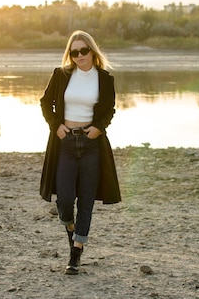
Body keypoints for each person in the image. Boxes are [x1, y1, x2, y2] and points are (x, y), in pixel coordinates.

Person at [39, 30, 121, 275]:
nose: (79, 56)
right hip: (65, 144)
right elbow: (45, 102)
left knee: (86, 200)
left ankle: (75, 252)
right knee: (64, 199)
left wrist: (98, 127)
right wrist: (57, 127)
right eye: (74, 52)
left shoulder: (104, 79)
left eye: (83, 50)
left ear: (92, 51)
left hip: (91, 145)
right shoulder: (61, 75)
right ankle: (72, 230)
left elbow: (109, 110)